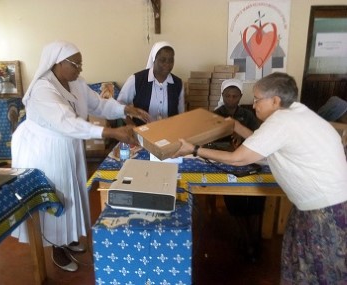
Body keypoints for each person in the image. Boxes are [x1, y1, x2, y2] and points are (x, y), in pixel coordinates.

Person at [173, 72, 347, 284]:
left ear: (275, 100)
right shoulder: (297, 113)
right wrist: (236, 126)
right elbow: (262, 145)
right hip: (322, 206)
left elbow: (238, 159)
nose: (253, 105)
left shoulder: (281, 121)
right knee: (302, 266)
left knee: (320, 272)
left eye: (257, 100)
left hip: (324, 211)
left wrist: (194, 149)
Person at [10, 40, 150, 272]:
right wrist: (111, 131)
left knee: (71, 191)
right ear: (58, 63)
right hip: (44, 150)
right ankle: (56, 246)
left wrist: (125, 109)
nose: (80, 69)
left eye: (80, 64)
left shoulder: (77, 83)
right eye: (75, 64)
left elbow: (98, 105)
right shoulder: (43, 90)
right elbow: (65, 122)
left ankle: (68, 237)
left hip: (68, 144)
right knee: (54, 194)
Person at [212, 78, 264, 262]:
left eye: (235, 96)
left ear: (241, 97)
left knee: (258, 197)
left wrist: (243, 140)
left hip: (248, 160)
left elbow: (258, 137)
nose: (231, 99)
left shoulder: (248, 115)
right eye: (228, 95)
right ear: (223, 96)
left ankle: (254, 238)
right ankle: (247, 238)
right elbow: (210, 141)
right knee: (234, 197)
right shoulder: (215, 115)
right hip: (227, 161)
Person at [117, 41, 185, 126]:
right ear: (154, 59)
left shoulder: (178, 84)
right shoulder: (136, 80)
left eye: (171, 60)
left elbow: (181, 114)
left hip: (169, 132)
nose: (167, 64)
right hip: (142, 133)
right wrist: (133, 127)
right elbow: (119, 106)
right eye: (162, 60)